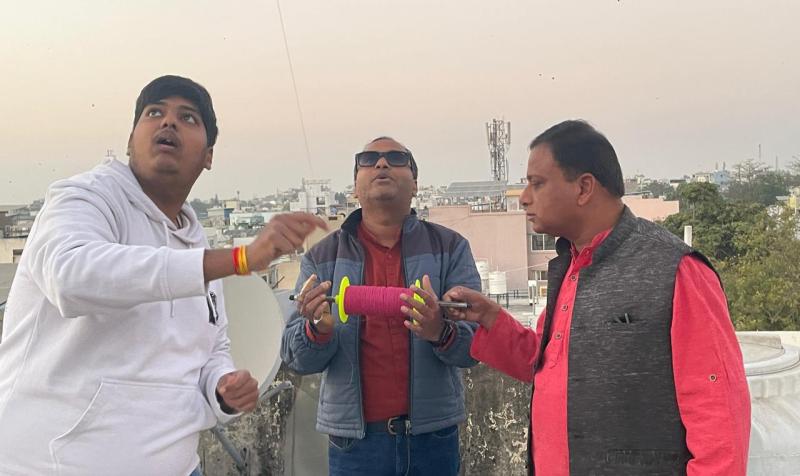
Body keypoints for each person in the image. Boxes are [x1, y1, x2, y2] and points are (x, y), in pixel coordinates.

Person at [0, 75, 326, 475]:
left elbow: (212, 346)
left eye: (187, 118)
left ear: (208, 156)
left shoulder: (195, 241)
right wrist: (240, 258)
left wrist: (222, 387)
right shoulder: (82, 198)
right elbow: (71, 277)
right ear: (130, 140)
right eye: (155, 112)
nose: (168, 122)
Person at [444, 120, 751, 475]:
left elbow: (718, 414)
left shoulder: (674, 269)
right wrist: (490, 317)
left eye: (537, 183)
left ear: (584, 187)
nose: (524, 197)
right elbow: (544, 363)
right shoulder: (570, 267)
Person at [281, 137, 481, 476]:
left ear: (415, 184)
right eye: (369, 158)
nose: (382, 163)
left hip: (433, 439)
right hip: (355, 446)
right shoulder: (322, 257)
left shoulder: (450, 248)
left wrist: (440, 331)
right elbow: (296, 359)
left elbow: (474, 347)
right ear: (355, 186)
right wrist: (318, 330)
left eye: (396, 158)